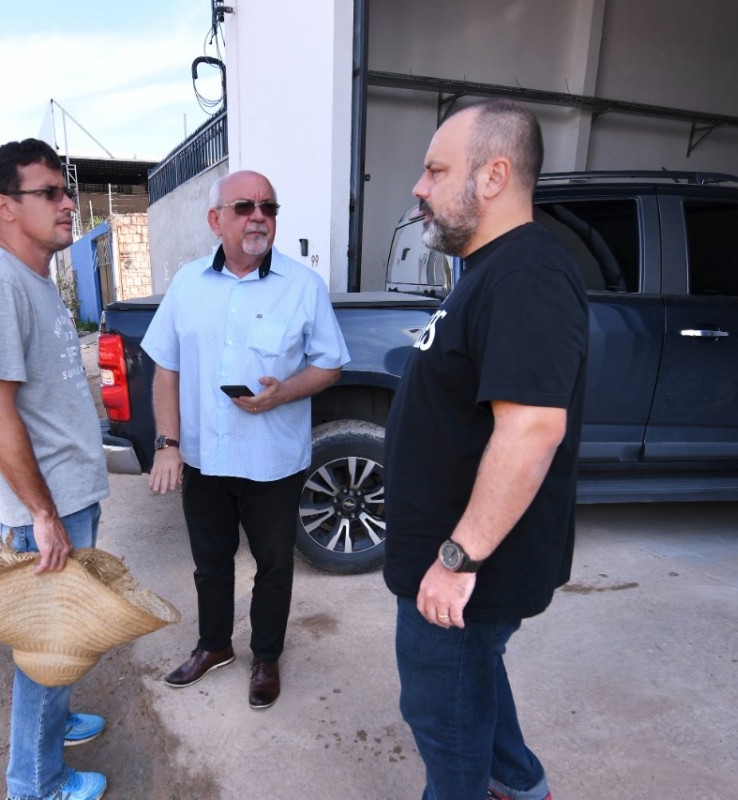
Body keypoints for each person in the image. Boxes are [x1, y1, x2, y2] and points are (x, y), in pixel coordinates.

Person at [383, 99, 588, 800]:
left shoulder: (527, 272)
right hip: (455, 568)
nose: (419, 186)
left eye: (436, 169)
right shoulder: (488, 269)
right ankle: (522, 785)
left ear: (494, 175)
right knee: (473, 686)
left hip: (469, 573)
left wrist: (456, 559)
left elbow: (532, 427)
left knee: (447, 727)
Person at [141, 170, 350, 710]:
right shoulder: (188, 284)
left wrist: (283, 394)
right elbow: (166, 366)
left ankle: (265, 656)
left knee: (274, 565)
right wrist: (167, 443)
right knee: (210, 562)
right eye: (244, 206)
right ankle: (213, 646)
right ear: (216, 220)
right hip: (205, 459)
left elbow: (329, 365)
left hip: (272, 461)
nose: (259, 216)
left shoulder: (302, 287)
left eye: (268, 207)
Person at [0, 138, 110, 800]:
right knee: (44, 653)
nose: (67, 204)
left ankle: (61, 720)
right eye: (49, 192)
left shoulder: (38, 279)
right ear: (6, 207)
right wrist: (42, 516)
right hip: (49, 511)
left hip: (70, 497)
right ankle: (37, 784)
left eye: (65, 191)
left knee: (61, 637)